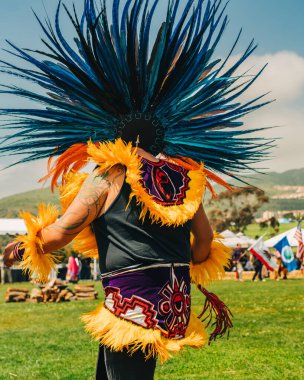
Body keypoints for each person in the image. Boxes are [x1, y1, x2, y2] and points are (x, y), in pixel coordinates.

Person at [2, 0, 271, 378]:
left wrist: (26, 245)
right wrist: (174, 266)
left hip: (131, 304)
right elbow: (205, 242)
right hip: (171, 304)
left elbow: (64, 230)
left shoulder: (108, 175)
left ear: (112, 132)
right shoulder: (183, 175)